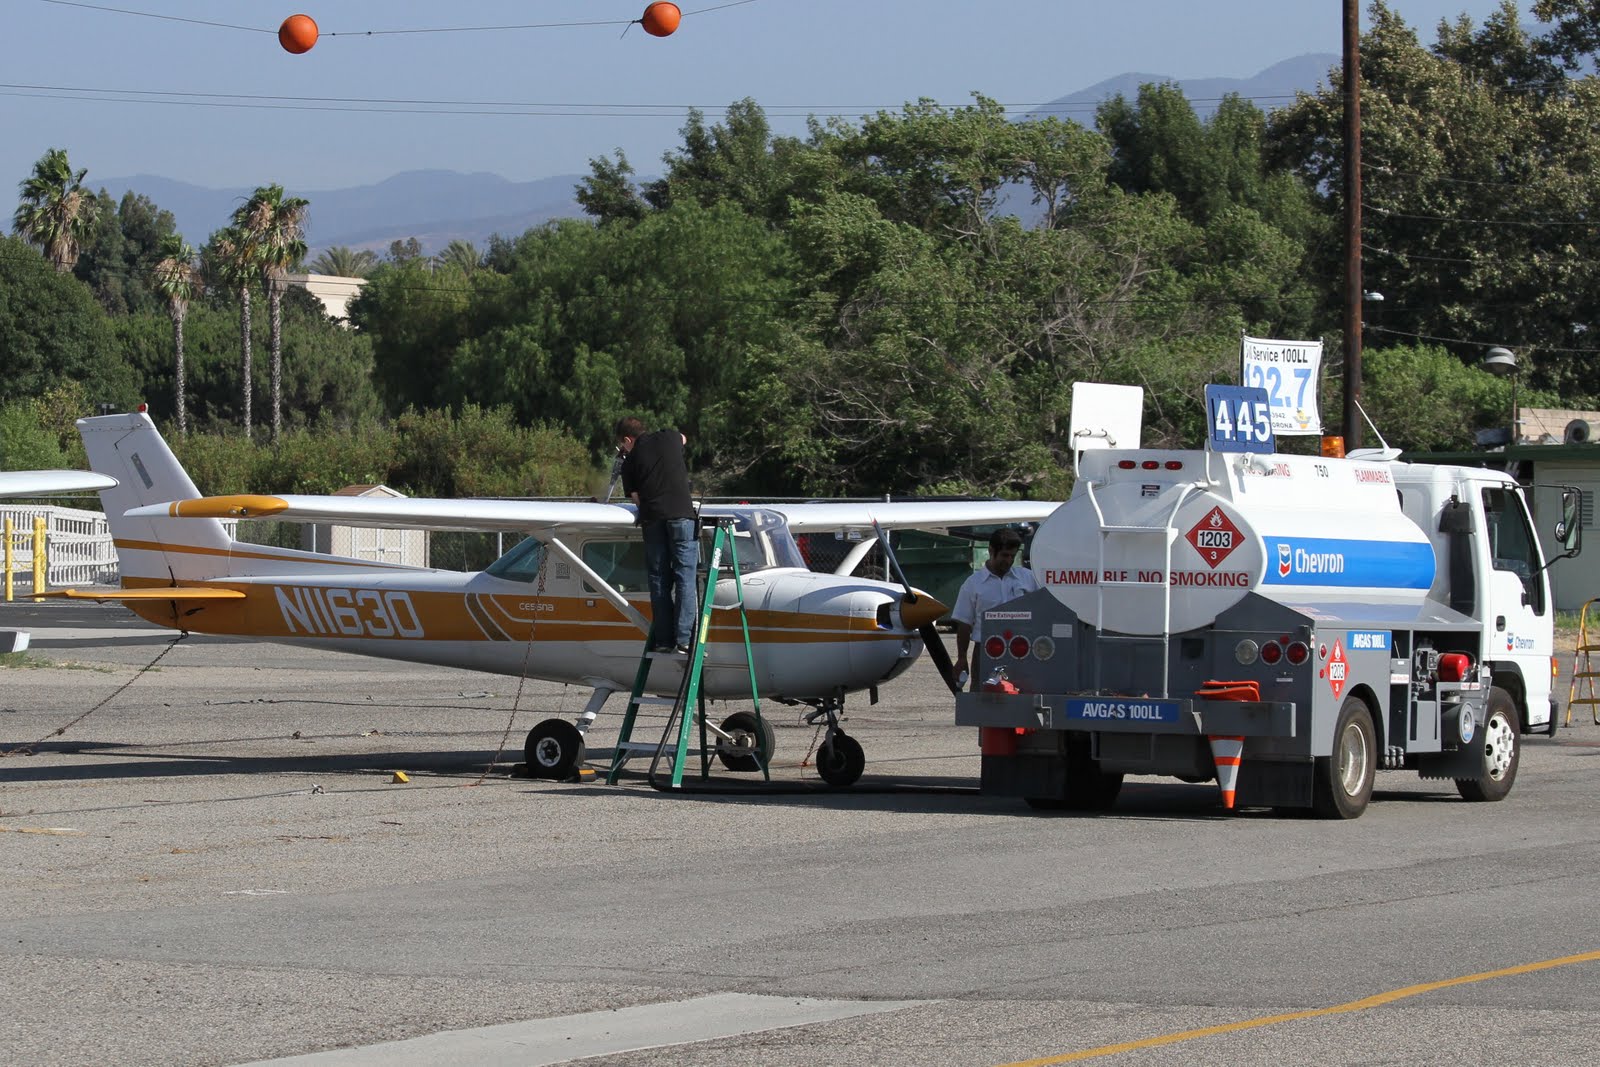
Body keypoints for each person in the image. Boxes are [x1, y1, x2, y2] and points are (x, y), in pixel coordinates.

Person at [615, 416, 699, 653]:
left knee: (659, 579)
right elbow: (683, 438)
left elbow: (636, 498)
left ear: (627, 440)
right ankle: (685, 638)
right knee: (685, 576)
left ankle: (663, 640)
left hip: (652, 519)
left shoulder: (628, 463)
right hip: (682, 514)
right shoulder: (669, 437)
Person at [951, 528, 1039, 688]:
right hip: (985, 652)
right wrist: (962, 658)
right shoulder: (973, 584)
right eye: (1005, 555)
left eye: (1013, 556)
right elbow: (964, 624)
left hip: (1023, 650)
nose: (1009, 560)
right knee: (981, 700)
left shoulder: (1028, 578)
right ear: (991, 550)